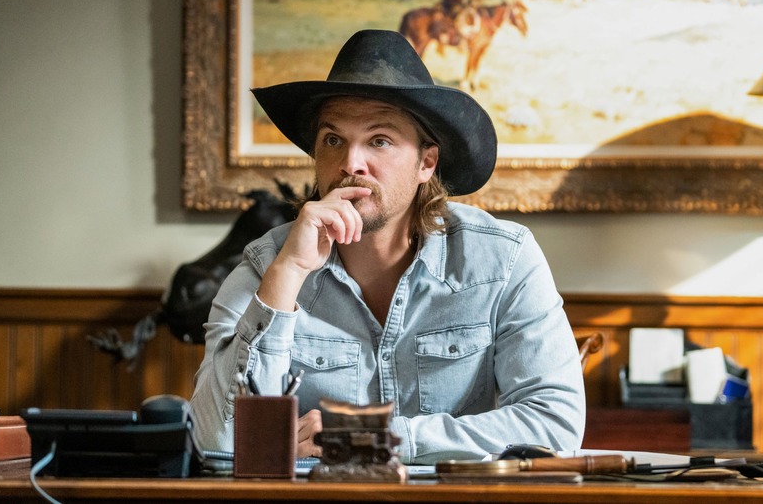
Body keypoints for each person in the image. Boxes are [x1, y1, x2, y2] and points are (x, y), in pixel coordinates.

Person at [189, 29, 586, 465]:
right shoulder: (270, 265)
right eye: (333, 140)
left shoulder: (503, 259)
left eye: (379, 140)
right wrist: (287, 276)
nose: (350, 164)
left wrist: (369, 437)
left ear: (426, 162)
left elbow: (555, 424)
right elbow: (215, 440)